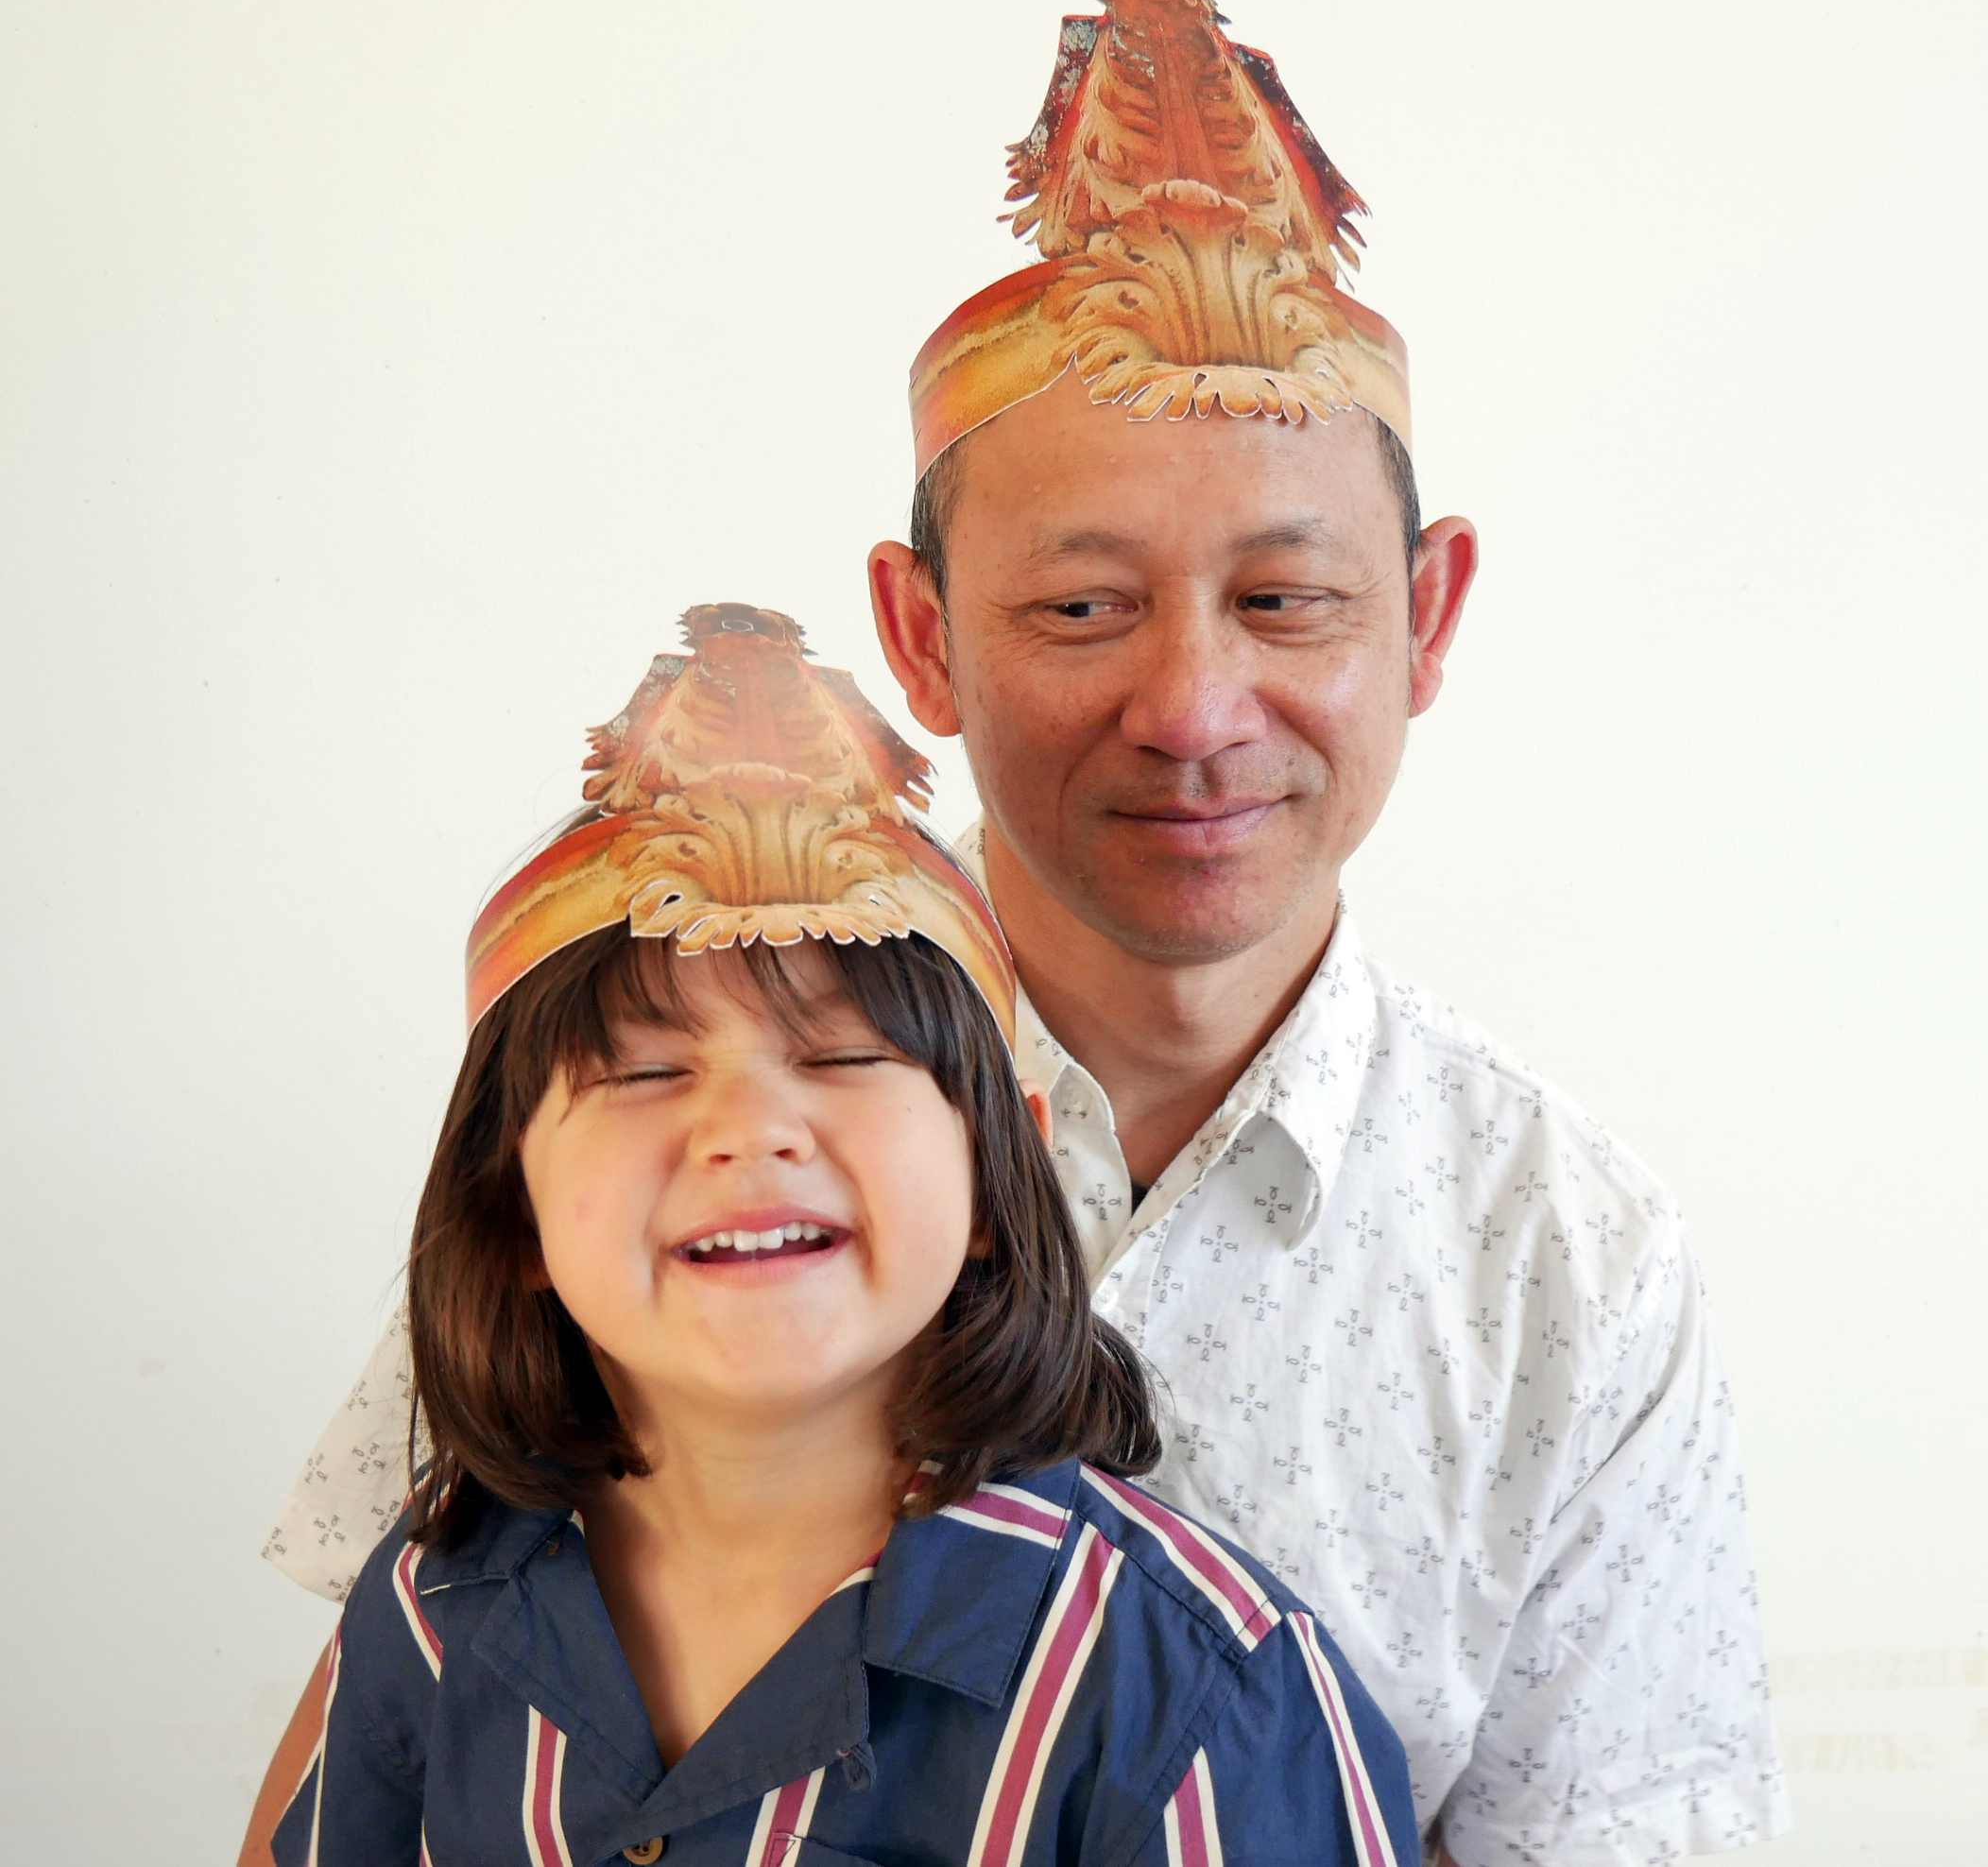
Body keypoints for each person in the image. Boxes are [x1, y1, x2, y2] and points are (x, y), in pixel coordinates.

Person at [255, 0, 1791, 1862]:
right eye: (1076, 606)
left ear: (1425, 616)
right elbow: (386, 1725)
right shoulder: (654, 1095)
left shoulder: (1562, 1264)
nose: (1192, 707)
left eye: (1287, 599)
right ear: (919, 637)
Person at [268, 602, 1418, 1866]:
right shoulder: (434, 1606)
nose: (749, 1130)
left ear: (1000, 1170)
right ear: (513, 1205)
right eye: (645, 1074)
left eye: (842, 1055)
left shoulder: (1203, 1701)